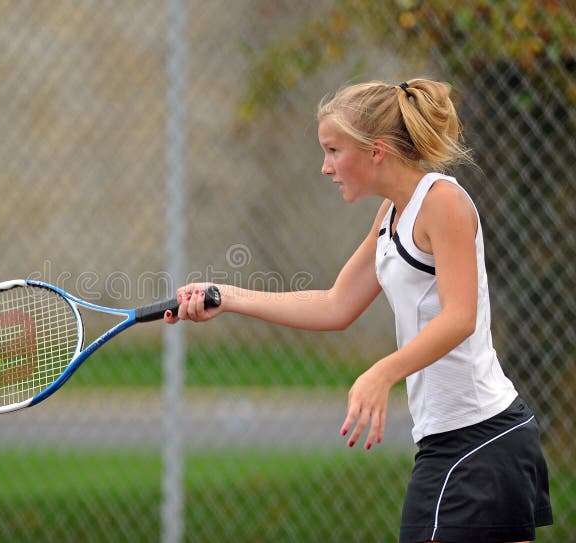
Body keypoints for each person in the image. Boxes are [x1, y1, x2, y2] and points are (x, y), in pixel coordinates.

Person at [164, 78, 553, 543]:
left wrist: (381, 373)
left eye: (333, 150)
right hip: (462, 444)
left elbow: (460, 317)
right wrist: (227, 297)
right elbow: (336, 304)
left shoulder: (442, 202)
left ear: (377, 151)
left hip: (480, 440)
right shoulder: (392, 214)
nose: (325, 167)